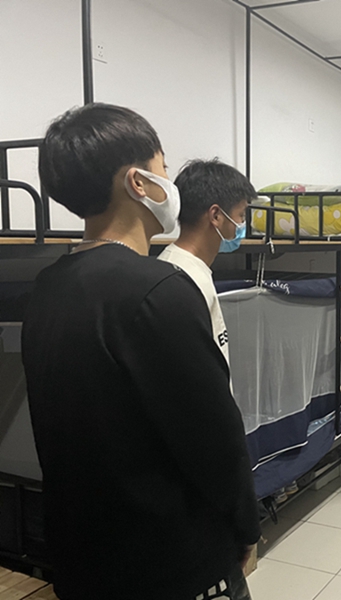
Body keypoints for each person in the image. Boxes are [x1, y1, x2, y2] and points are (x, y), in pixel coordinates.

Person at [22, 104, 260, 600]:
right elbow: (213, 438)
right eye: (162, 168)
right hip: (169, 560)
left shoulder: (47, 286)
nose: (169, 183)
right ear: (139, 183)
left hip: (85, 555)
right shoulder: (157, 289)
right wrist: (245, 527)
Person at [158, 159, 256, 365]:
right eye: (241, 215)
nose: (242, 224)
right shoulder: (184, 279)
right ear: (216, 216)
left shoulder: (189, 268)